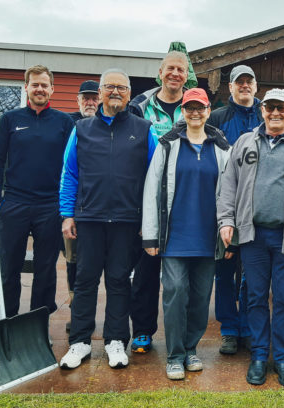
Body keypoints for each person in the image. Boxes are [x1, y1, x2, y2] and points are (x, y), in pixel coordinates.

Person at [217, 88, 284, 387]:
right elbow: (229, 185)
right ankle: (260, 356)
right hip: (253, 236)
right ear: (262, 111)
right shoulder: (245, 142)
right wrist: (226, 221)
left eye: (281, 108)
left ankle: (283, 359)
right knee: (256, 297)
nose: (275, 113)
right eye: (270, 107)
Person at [59, 68, 157, 370]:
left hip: (128, 221)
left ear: (129, 94)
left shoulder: (144, 129)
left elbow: (153, 178)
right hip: (89, 218)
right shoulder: (82, 129)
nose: (116, 92)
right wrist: (67, 214)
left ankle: (116, 341)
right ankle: (80, 342)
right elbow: (69, 173)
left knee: (118, 281)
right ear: (100, 92)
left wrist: (148, 219)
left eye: (122, 88)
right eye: (110, 87)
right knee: (85, 280)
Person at [142, 88, 230, 380]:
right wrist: (151, 236)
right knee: (176, 293)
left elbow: (230, 194)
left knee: (202, 296)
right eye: (189, 108)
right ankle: (175, 355)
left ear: (207, 111)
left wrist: (232, 236)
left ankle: (191, 349)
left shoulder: (221, 148)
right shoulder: (167, 145)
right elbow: (152, 190)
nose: (195, 113)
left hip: (208, 237)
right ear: (182, 111)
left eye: (200, 108)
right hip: (175, 236)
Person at [0, 65, 73, 321]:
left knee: (46, 270)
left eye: (44, 85)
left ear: (52, 89)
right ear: (26, 87)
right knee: (8, 269)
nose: (39, 89)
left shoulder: (64, 122)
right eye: (34, 84)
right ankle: (4, 321)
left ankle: (37, 325)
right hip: (14, 203)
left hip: (50, 205)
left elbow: (72, 166)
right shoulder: (10, 119)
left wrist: (67, 207)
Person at [127, 51, 189, 354]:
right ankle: (142, 330)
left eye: (181, 69)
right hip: (149, 198)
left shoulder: (195, 106)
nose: (175, 74)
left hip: (185, 200)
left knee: (182, 276)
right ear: (160, 72)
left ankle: (185, 335)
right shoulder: (139, 107)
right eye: (171, 69)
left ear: (187, 75)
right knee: (147, 269)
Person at [207, 64, 262, 355]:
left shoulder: (267, 113)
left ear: (255, 85)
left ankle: (249, 327)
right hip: (226, 207)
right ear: (230, 87)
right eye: (238, 82)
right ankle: (229, 329)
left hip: (260, 209)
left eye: (248, 82)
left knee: (253, 275)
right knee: (225, 272)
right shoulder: (216, 118)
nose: (244, 86)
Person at [64, 79, 100, 333]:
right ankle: (75, 313)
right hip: (73, 206)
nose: (89, 102)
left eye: (93, 97)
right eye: (85, 98)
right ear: (78, 100)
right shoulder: (69, 125)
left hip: (98, 207)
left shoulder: (109, 125)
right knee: (73, 261)